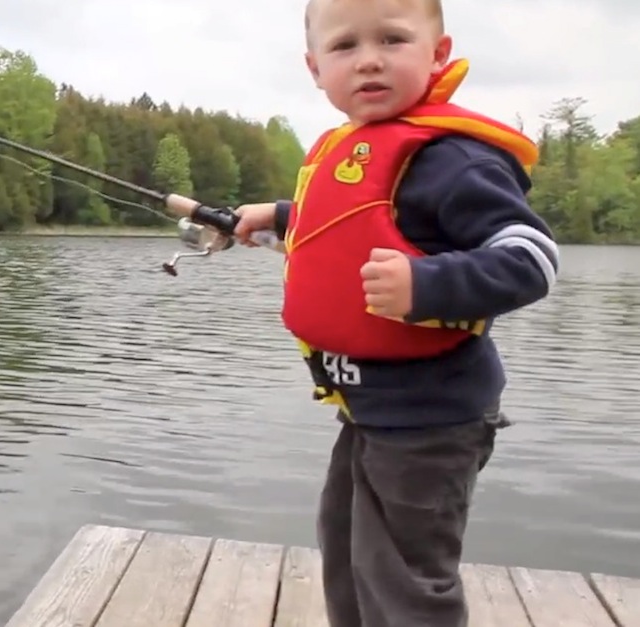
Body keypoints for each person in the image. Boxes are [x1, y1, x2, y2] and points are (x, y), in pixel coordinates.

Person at [232, 0, 559, 625]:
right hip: (370, 409)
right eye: (345, 46)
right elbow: (348, 219)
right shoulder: (351, 149)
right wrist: (275, 216)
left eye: (393, 39)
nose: (370, 60)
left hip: (434, 416)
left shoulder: (455, 159)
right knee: (348, 552)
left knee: (406, 578)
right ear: (315, 68)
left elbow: (532, 259)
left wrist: (427, 284)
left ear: (438, 54)